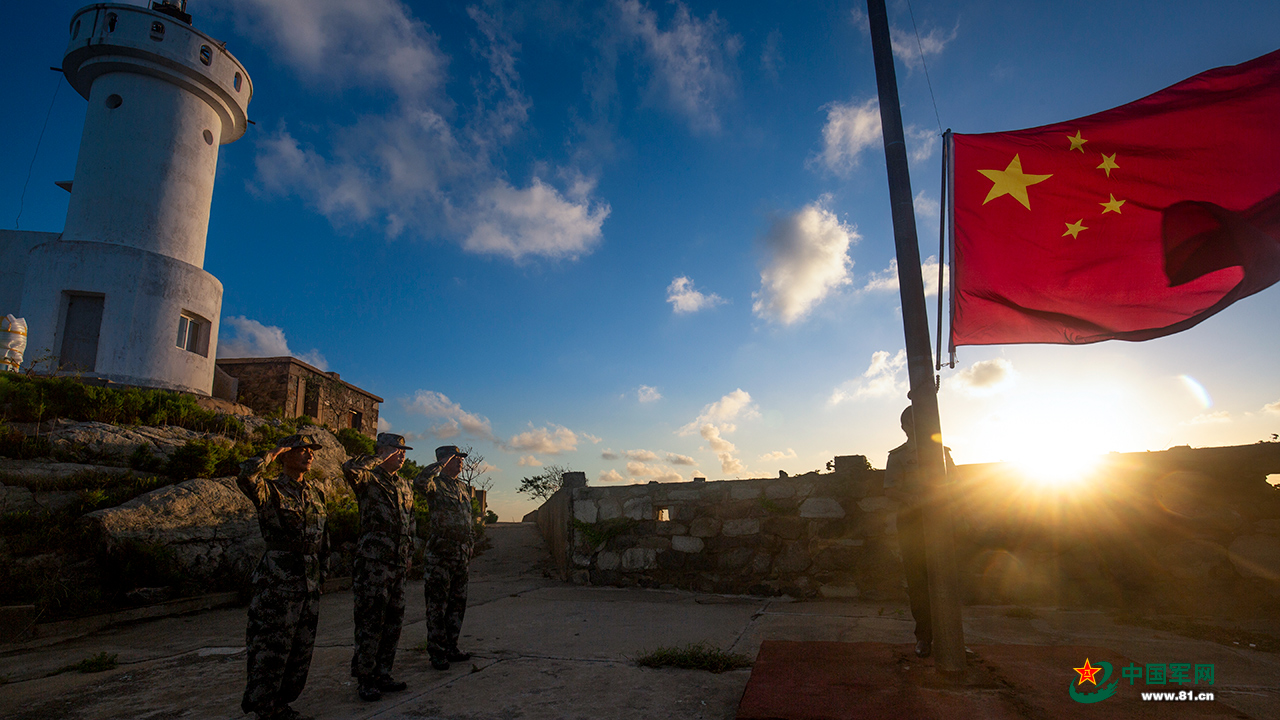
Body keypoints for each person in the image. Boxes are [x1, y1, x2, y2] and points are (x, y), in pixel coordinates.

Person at [237, 433, 329, 720]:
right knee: (271, 648)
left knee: (301, 650)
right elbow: (245, 476)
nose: (309, 455)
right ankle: (264, 706)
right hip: (278, 582)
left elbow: (323, 538)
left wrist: (322, 574)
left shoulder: (316, 492)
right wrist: (273, 452)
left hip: (309, 582)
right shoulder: (270, 490)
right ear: (286, 454)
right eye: (302, 450)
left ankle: (282, 703)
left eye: (312, 451)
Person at [342, 433, 415, 701]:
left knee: (393, 621)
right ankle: (365, 678)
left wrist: (409, 554)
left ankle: (384, 673)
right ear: (383, 450)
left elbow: (410, 521)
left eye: (403, 450)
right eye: (396, 449)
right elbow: (349, 468)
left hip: (397, 563)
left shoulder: (404, 485)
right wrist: (377, 458)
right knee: (370, 621)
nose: (401, 454)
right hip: (373, 562)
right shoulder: (368, 479)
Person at [883, 406, 954, 660]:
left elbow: (956, 483)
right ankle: (924, 636)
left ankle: (953, 639)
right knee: (918, 581)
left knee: (947, 579)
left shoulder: (942, 453)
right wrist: (912, 499)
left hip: (941, 520)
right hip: (913, 522)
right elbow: (890, 489)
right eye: (914, 422)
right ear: (905, 427)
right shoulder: (899, 456)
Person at [416, 445, 475, 671]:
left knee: (457, 603)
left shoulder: (462, 487)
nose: (460, 461)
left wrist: (470, 543)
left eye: (461, 458)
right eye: (455, 458)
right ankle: (437, 652)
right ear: (443, 460)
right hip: (440, 553)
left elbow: (467, 518)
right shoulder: (435, 484)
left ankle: (452, 646)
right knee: (437, 606)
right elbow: (420, 482)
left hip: (460, 553)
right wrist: (439, 465)